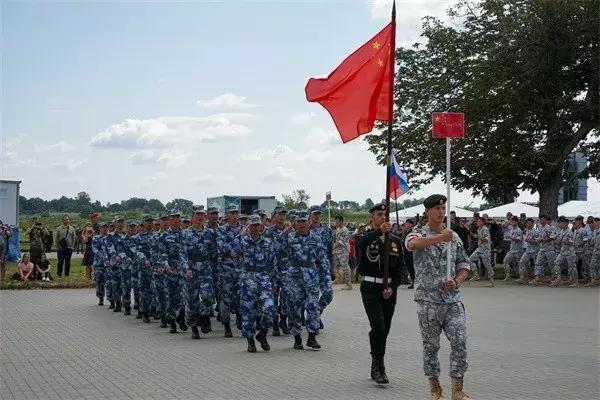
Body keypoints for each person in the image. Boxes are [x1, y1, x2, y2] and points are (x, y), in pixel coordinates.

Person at [405, 194, 473, 400]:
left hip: (452, 300)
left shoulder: (453, 236)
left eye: (443, 208)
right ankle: (435, 389)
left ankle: (458, 389)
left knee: (460, 342)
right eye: (437, 208)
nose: (441, 211)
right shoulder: (416, 233)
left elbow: (465, 264)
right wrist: (440, 238)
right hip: (428, 302)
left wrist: (457, 280)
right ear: (427, 211)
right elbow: (412, 245)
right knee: (431, 346)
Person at [356, 203, 403, 385]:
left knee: (385, 328)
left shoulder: (395, 241)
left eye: (385, 215)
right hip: (370, 288)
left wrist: (393, 287)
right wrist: (378, 234)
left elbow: (401, 268)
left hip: (389, 290)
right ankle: (379, 366)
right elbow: (361, 245)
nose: (383, 218)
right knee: (378, 325)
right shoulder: (366, 237)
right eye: (379, 214)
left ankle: (376, 360)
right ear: (372, 218)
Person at [278, 210, 328, 351]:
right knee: (294, 306)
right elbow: (275, 247)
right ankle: (297, 337)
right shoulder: (289, 238)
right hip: (294, 275)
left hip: (311, 275)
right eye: (298, 221)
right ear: (294, 223)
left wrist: (324, 279)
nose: (301, 224)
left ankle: (311, 336)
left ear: (308, 222)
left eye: (304, 221)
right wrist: (284, 232)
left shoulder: (316, 238)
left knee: (313, 306)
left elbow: (322, 260)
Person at [232, 214, 276, 352]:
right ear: (248, 226)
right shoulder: (242, 241)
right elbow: (230, 250)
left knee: (269, 308)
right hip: (247, 279)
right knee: (248, 312)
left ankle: (262, 334)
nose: (256, 228)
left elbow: (272, 263)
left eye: (258, 225)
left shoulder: (267, 242)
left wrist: (273, 281)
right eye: (253, 225)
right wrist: (241, 233)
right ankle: (250, 341)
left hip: (263, 278)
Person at [180, 206, 217, 339]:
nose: (200, 217)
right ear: (192, 217)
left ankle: (204, 316)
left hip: (206, 269)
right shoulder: (185, 233)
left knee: (208, 297)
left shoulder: (209, 233)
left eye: (202, 214)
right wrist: (186, 268)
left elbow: (213, 253)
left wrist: (215, 269)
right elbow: (183, 253)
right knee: (191, 300)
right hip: (191, 270)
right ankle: (194, 327)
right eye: (197, 214)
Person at [550, 216, 578, 287]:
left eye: (562, 223)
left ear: (566, 224)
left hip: (569, 252)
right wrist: (555, 240)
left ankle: (575, 281)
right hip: (563, 252)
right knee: (556, 263)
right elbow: (558, 240)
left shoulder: (569, 232)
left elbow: (571, 242)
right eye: (559, 223)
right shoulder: (561, 231)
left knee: (572, 267)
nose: (560, 225)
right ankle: (558, 278)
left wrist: (563, 241)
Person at [531, 215, 557, 286]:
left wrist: (543, 240)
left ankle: (555, 279)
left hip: (549, 249)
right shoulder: (540, 227)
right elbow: (540, 237)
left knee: (552, 264)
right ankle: (538, 278)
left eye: (542, 219)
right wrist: (537, 239)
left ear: (545, 220)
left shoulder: (549, 228)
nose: (541, 221)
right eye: (540, 219)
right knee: (538, 263)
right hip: (542, 249)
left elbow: (552, 237)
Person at [469, 217, 494, 286]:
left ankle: (491, 281)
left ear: (483, 222)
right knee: (471, 259)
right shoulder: (478, 229)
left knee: (487, 265)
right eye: (477, 221)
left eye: (479, 221)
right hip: (480, 248)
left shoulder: (485, 229)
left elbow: (486, 240)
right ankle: (476, 274)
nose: (477, 222)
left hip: (485, 250)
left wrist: (477, 237)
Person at [333, 215, 352, 290]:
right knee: (336, 265)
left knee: (345, 267)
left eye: (336, 221)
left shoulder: (345, 230)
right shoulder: (338, 229)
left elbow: (341, 242)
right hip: (337, 251)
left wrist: (333, 247)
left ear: (341, 221)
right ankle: (337, 278)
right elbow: (336, 240)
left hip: (343, 251)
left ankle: (348, 284)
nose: (335, 223)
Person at [516, 218, 539, 284]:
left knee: (536, 264)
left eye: (530, 223)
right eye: (527, 223)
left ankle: (537, 278)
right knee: (522, 262)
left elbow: (538, 241)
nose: (528, 224)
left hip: (535, 250)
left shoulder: (535, 231)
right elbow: (523, 239)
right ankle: (523, 277)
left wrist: (531, 241)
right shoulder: (525, 231)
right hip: (528, 250)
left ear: (532, 223)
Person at [502, 216, 523, 280]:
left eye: (513, 221)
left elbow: (519, 239)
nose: (511, 222)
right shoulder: (511, 229)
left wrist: (510, 237)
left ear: (516, 222)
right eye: (511, 221)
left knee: (520, 263)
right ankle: (508, 275)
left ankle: (522, 277)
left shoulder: (518, 230)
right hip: (512, 250)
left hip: (518, 250)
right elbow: (503, 226)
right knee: (505, 261)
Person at [401, 218, 416, 288]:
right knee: (409, 267)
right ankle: (413, 281)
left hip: (411, 253)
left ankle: (414, 282)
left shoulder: (412, 232)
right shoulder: (405, 231)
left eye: (407, 223)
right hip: (406, 252)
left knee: (412, 267)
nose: (406, 225)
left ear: (410, 224)